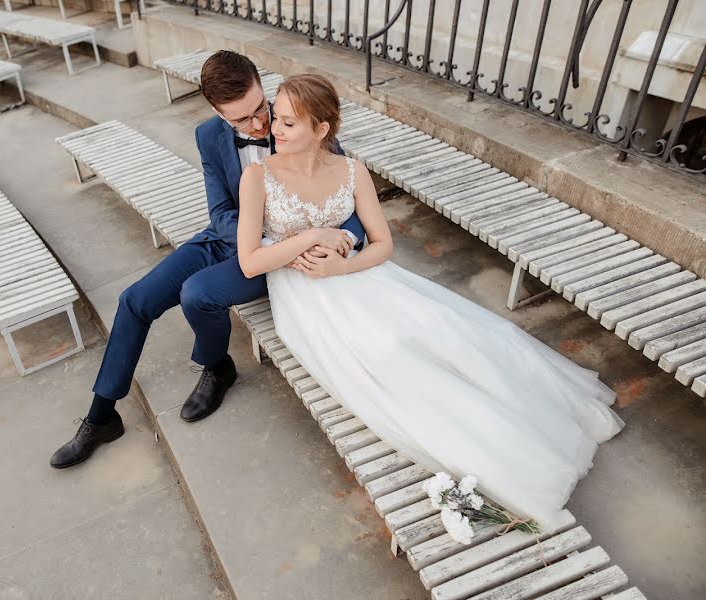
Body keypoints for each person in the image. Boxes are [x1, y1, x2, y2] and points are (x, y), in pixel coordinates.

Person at [235, 73, 625, 531]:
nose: (274, 131)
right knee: (390, 352)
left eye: (288, 123)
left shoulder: (352, 171)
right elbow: (250, 262)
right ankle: (505, 451)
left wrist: (342, 265)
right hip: (306, 297)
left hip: (361, 275)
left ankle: (544, 421)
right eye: (276, 120)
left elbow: (381, 244)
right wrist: (315, 236)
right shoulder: (256, 177)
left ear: (321, 130)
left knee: (446, 326)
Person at [50, 52, 366, 469]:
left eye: (260, 110)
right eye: (240, 121)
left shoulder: (299, 121)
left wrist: (340, 240)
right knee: (135, 299)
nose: (258, 125)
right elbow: (219, 213)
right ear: (217, 113)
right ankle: (101, 415)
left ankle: (216, 367)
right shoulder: (208, 136)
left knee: (198, 295)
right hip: (230, 239)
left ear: (262, 87)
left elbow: (346, 195)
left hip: (285, 257)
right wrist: (258, 241)